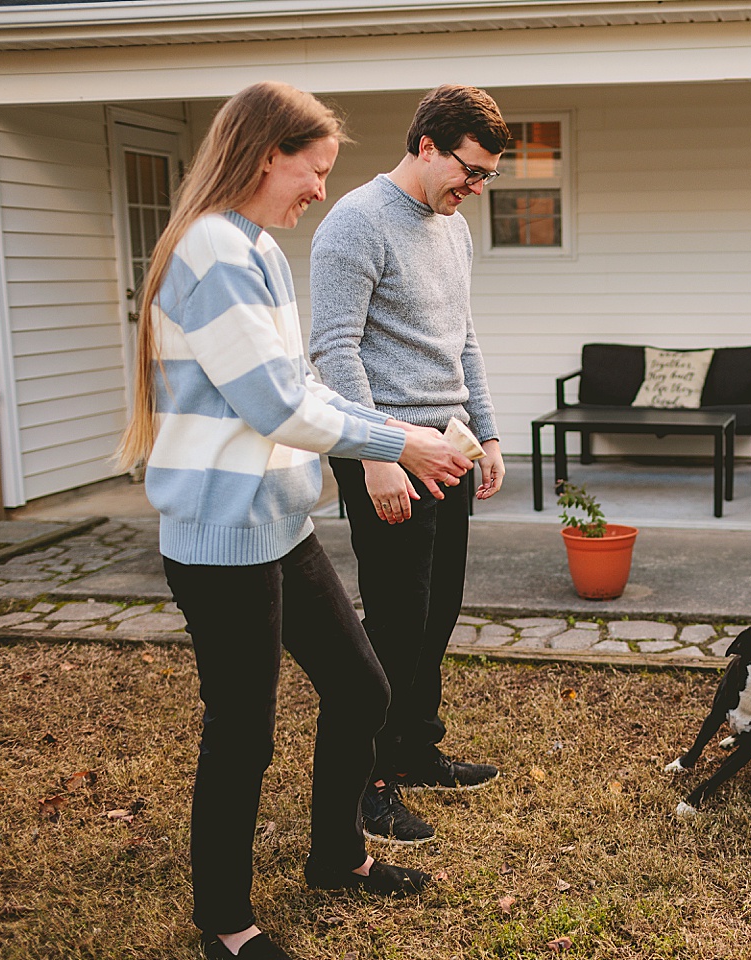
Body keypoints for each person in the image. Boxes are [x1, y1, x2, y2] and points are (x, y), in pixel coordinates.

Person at [115, 81, 477, 960]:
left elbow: (304, 384)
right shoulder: (209, 252)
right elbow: (275, 403)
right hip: (219, 534)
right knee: (242, 730)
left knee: (361, 686)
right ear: (264, 154)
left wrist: (400, 438)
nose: (320, 190)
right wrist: (400, 442)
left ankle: (335, 857)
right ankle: (226, 925)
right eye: (312, 171)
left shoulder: (261, 250)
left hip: (279, 520)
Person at [309, 84, 509, 845]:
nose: (476, 187)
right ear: (427, 146)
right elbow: (334, 348)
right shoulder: (355, 224)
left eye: (488, 176)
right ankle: (370, 785)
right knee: (393, 622)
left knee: (437, 611)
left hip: (449, 448)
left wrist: (487, 435)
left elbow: (464, 342)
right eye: (470, 170)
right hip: (390, 455)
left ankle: (416, 750)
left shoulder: (452, 230)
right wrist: (373, 455)